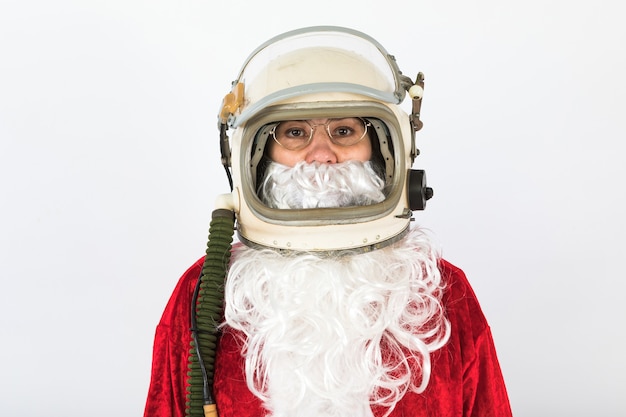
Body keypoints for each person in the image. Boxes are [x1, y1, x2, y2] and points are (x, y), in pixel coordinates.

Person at [144, 26, 512, 417]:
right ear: (255, 156)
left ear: (385, 151)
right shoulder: (203, 293)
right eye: (295, 132)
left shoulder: (442, 290)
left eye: (343, 131)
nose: (321, 154)